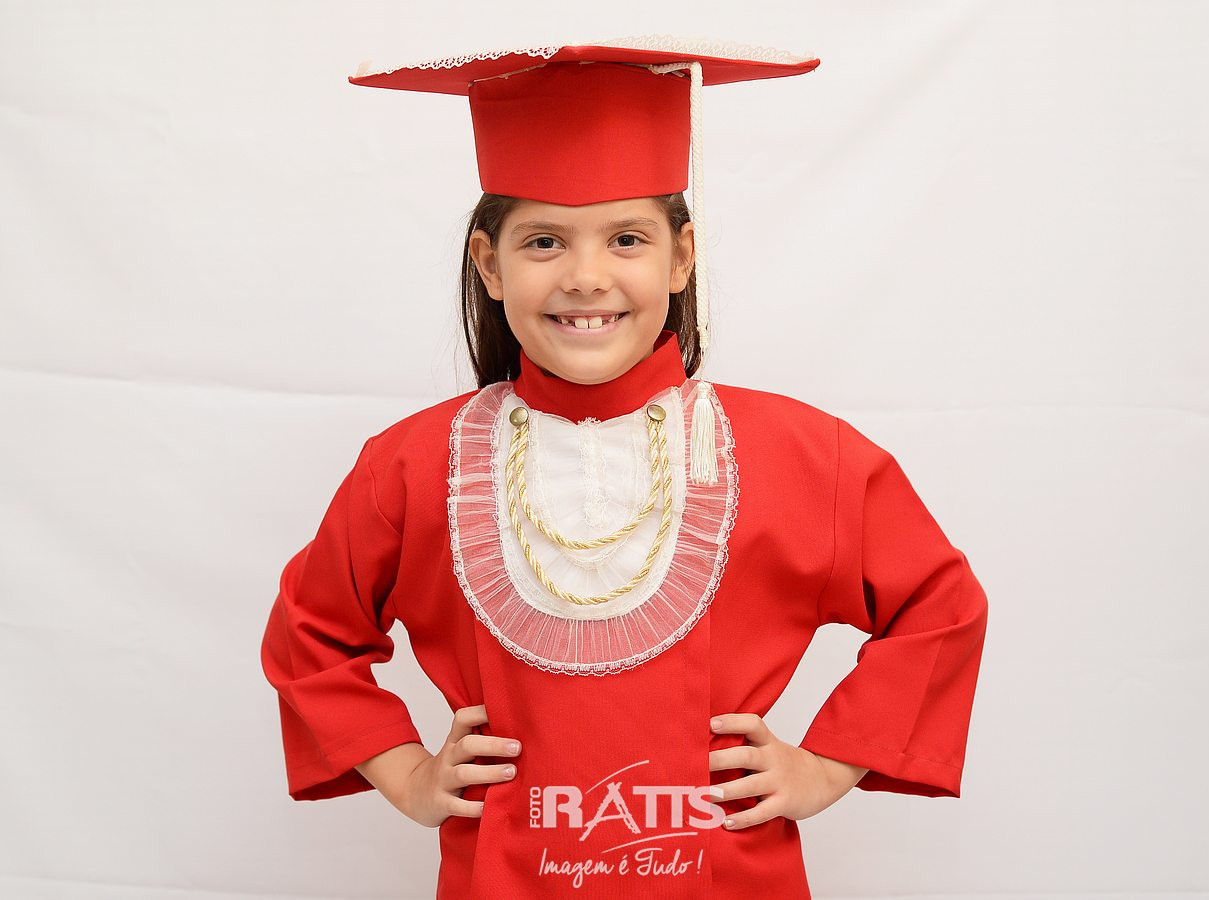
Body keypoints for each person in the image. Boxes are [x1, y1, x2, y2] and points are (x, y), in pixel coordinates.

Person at [260, 36, 989, 899]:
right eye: (543, 242)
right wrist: (407, 774)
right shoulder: (415, 467)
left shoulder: (803, 455)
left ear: (682, 257)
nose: (586, 277)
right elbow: (312, 632)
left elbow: (939, 604)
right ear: (489, 265)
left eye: (627, 238)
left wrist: (828, 765)